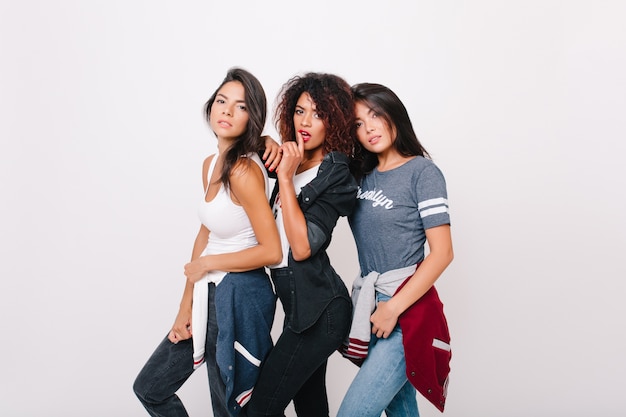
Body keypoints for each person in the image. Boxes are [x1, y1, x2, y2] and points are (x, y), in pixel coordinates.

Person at [133, 67, 282, 417]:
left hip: (237, 294)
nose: (227, 111)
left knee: (228, 405)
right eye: (221, 101)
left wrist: (209, 264)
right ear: (210, 107)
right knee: (150, 387)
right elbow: (206, 231)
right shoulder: (210, 164)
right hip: (207, 292)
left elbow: (271, 251)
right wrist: (185, 304)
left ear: (253, 117)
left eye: (241, 106)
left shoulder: (244, 172)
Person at [242, 73, 358, 417]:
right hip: (299, 309)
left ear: (333, 121)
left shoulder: (335, 174)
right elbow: (243, 149)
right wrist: (264, 141)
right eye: (300, 110)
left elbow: (303, 246)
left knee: (260, 410)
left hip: (322, 311)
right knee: (310, 408)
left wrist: (289, 178)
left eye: (318, 114)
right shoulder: (289, 159)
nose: (305, 122)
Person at [338, 83, 454, 417]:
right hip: (370, 310)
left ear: (393, 113)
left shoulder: (423, 172)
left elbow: (442, 253)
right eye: (358, 123)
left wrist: (393, 309)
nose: (369, 127)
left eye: (375, 114)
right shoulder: (360, 176)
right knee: (401, 410)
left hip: (406, 312)